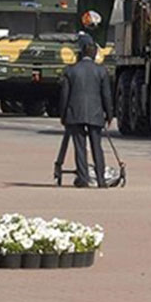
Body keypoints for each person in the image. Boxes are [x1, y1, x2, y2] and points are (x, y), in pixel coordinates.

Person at [58, 34, 113, 187]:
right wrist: (109, 114)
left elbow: (65, 95)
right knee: (97, 146)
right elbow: (106, 95)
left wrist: (63, 115)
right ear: (95, 54)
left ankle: (83, 178)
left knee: (80, 147)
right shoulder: (101, 71)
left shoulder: (71, 70)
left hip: (75, 112)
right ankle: (101, 179)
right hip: (95, 112)